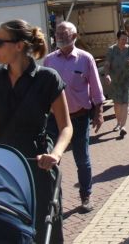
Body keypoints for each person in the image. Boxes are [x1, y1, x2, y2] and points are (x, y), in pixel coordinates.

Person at [0, 19, 73, 244]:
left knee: (45, 231)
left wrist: (55, 154)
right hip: (3, 170)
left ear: (19, 45)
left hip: (39, 166)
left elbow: (66, 127)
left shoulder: (48, 78)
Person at [44, 21, 105, 213]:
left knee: (82, 159)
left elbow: (96, 87)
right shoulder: (49, 60)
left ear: (75, 36)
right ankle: (54, 199)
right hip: (54, 119)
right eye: (58, 33)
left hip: (79, 117)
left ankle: (86, 195)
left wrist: (99, 112)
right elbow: (44, 90)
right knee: (52, 159)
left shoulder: (85, 59)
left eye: (65, 33)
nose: (60, 36)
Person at [104, 31, 129, 137]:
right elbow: (107, 64)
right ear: (117, 39)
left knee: (125, 102)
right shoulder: (111, 50)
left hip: (127, 80)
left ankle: (123, 126)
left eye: (126, 39)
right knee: (117, 104)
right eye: (122, 39)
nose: (124, 41)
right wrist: (107, 75)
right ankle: (118, 122)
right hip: (115, 81)